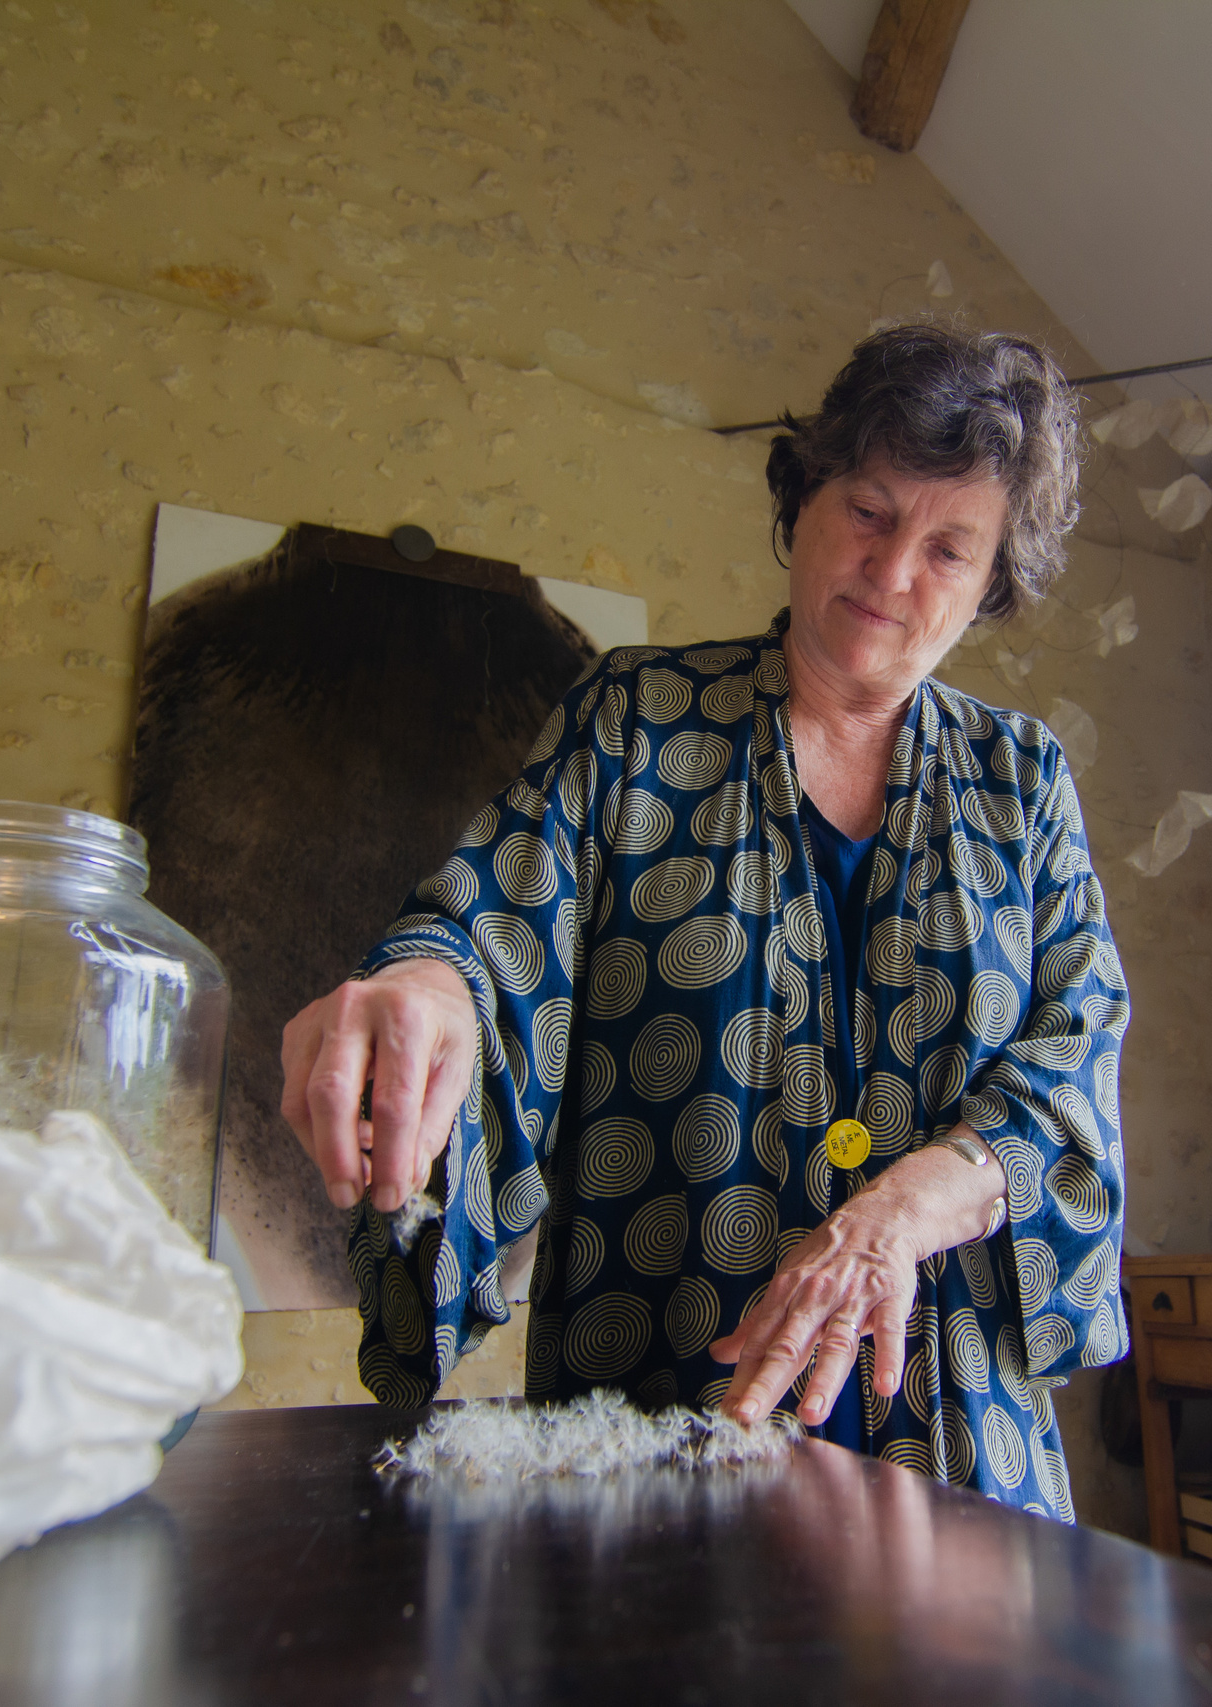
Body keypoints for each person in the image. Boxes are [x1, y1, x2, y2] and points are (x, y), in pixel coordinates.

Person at [277, 323, 1129, 1517]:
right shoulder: (636, 723)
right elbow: (491, 930)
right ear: (806, 498)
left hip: (954, 1456)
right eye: (870, 512)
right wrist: (423, 992)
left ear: (990, 584)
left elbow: (1075, 1059)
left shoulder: (1021, 783)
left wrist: (906, 1207)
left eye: (948, 547)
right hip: (661, 1419)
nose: (891, 575)